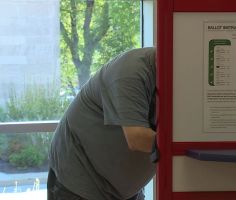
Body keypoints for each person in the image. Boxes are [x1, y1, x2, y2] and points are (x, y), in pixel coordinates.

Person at [47, 47, 158, 200]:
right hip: (79, 180)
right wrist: (184, 146)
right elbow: (137, 138)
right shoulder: (131, 71)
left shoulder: (180, 78)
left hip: (126, 189)